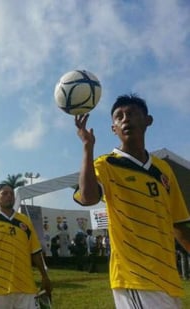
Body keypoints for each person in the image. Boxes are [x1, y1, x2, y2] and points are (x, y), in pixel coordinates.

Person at [74, 93, 190, 308]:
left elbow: (179, 223)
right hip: (135, 277)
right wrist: (87, 148)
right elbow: (88, 197)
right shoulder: (105, 165)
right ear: (113, 129)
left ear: (148, 120)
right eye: (119, 117)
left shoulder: (163, 170)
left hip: (169, 278)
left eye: (131, 114)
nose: (125, 119)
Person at [0, 183, 51, 309]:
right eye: (4, 193)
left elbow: (35, 252)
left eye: (11, 194)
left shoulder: (25, 221)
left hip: (26, 286)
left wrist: (45, 276)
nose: (9, 196)